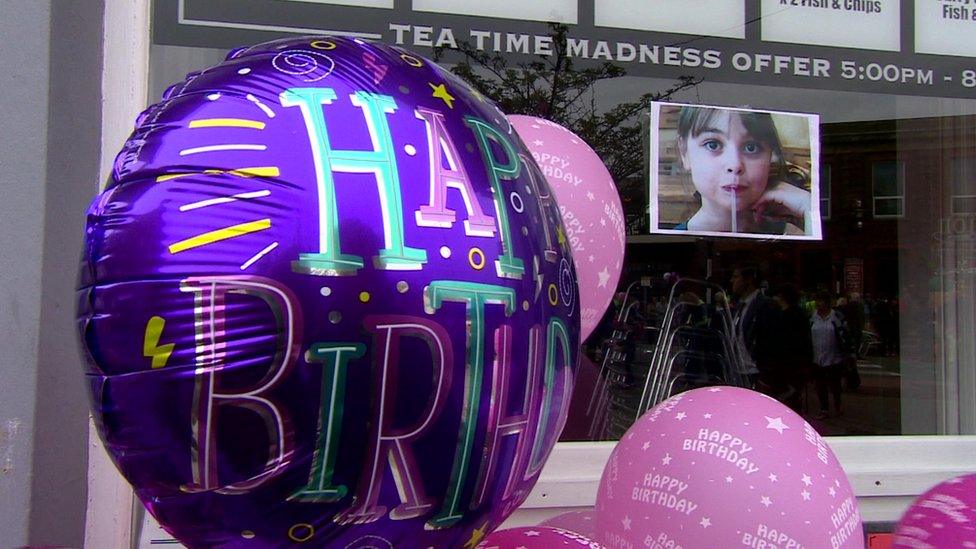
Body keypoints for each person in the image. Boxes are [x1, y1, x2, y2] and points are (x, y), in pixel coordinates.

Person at [673, 106, 811, 235]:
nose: (735, 165)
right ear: (685, 152)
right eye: (713, 144)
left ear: (770, 156)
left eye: (751, 147)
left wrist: (808, 206)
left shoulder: (796, 232)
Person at [730, 266, 781, 391]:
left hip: (756, 372)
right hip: (738, 370)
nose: (732, 281)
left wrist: (766, 375)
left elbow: (773, 340)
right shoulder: (738, 305)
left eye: (736, 277)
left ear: (748, 280)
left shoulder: (765, 305)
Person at [773, 283, 812, 412]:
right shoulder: (800, 313)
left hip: (789, 361)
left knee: (789, 396)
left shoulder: (786, 316)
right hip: (798, 360)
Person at [810, 292, 847, 419]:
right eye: (817, 301)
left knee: (835, 384)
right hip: (817, 356)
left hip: (834, 357)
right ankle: (824, 408)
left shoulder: (835, 316)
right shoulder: (813, 317)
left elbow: (844, 334)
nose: (818, 304)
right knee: (820, 385)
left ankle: (838, 404)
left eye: (821, 301)